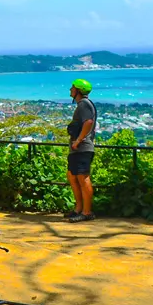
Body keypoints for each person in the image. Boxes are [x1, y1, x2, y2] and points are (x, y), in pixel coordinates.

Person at [66, 79, 97, 222]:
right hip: (77, 148)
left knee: (83, 178)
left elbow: (88, 122)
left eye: (72, 88)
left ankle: (86, 212)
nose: (70, 90)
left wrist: (78, 140)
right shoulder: (82, 104)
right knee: (72, 175)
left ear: (78, 90)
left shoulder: (84, 104)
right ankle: (78, 208)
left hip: (82, 147)